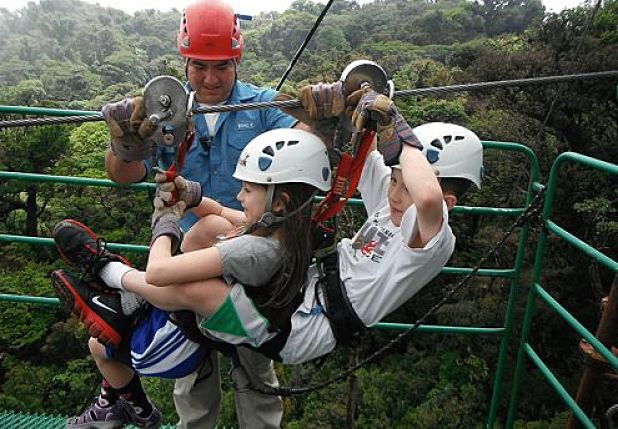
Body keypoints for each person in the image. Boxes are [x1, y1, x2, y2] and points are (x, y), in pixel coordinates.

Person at [52, 93, 483, 366]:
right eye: (393, 180)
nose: (394, 192)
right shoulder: (391, 204)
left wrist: (399, 131)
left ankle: (108, 272)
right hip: (301, 288)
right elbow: (364, 153)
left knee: (201, 290)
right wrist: (350, 112)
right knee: (219, 227)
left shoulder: (429, 237)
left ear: (447, 205)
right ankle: (131, 301)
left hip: (307, 327)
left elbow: (424, 197)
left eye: (404, 186)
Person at [100, 0, 324, 426]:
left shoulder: (259, 106)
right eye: (199, 66)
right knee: (192, 376)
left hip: (250, 257)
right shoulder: (165, 112)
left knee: (257, 370)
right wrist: (125, 143)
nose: (209, 77)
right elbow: (123, 175)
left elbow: (305, 140)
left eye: (221, 66)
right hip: (190, 256)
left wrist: (318, 115)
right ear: (184, 62)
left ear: (237, 59)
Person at [53, 128, 331, 429]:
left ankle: (109, 273)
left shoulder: (252, 249)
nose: (240, 196)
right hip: (261, 314)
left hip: (216, 323)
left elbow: (159, 273)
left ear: (280, 201)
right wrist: (189, 194)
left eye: (248, 191)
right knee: (212, 225)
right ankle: (128, 296)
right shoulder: (288, 229)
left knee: (187, 290)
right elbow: (223, 212)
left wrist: (165, 221)